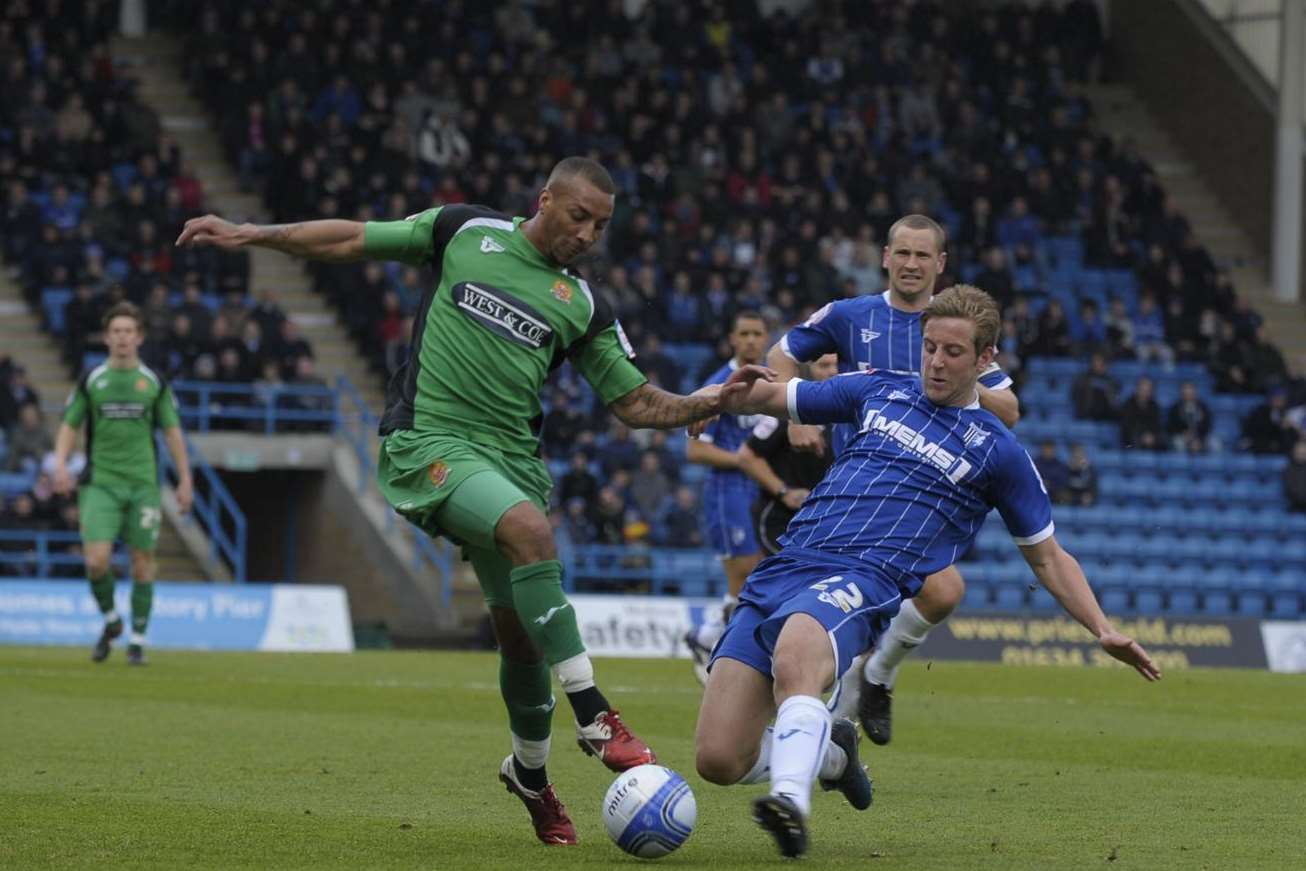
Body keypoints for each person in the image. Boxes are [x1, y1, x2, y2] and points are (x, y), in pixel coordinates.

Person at [176, 156, 762, 847]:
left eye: (602, 225)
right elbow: (353, 238)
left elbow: (634, 400)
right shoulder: (465, 230)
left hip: (510, 461)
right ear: (545, 199)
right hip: (429, 441)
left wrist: (704, 401)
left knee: (521, 638)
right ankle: (596, 715)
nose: (588, 234)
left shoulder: (583, 303)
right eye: (579, 217)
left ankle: (531, 775)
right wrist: (254, 234)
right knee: (531, 533)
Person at [695, 285, 1160, 858]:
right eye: (930, 347)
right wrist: (714, 400)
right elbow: (780, 396)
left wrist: (1101, 627)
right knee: (718, 759)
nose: (937, 362)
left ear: (987, 359)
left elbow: (1048, 555)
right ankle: (835, 755)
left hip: (863, 577)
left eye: (954, 352)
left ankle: (791, 802)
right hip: (786, 565)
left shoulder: (998, 451)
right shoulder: (880, 390)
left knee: (797, 655)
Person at [765, 214, 1020, 746]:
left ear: (940, 264)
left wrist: (951, 383)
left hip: (924, 497)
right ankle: (818, 729)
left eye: (922, 256)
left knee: (943, 593)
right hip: (856, 489)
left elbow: (1010, 409)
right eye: (902, 253)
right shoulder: (850, 315)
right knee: (878, 604)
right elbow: (783, 353)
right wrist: (794, 414)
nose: (910, 264)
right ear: (884, 257)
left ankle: (867, 685)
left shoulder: (953, 328)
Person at [51, 302, 194, 666]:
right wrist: (61, 465)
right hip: (100, 484)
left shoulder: (153, 383)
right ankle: (112, 621)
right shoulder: (92, 380)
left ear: (139, 337)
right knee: (96, 561)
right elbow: (70, 424)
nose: (122, 338)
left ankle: (137, 642)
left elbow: (173, 432)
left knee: (142, 561)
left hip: (143, 485)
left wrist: (185, 479)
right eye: (116, 331)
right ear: (106, 337)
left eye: (128, 331)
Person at [683, 310, 771, 683]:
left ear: (766, 339)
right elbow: (695, 451)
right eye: (744, 333)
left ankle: (706, 636)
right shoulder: (718, 385)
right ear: (733, 340)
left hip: (761, 488)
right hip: (729, 490)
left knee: (762, 573)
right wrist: (743, 461)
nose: (751, 340)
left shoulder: (771, 380)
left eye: (757, 333)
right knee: (746, 573)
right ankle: (720, 649)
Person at [737, 354, 838, 555]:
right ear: (809, 369)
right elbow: (746, 456)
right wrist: (784, 492)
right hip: (784, 521)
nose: (832, 372)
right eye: (824, 366)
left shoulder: (854, 412)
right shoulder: (789, 409)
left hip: (828, 523)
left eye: (836, 365)